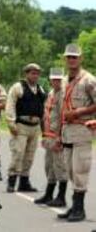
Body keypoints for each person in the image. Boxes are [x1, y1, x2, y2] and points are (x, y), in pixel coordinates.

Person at [57, 44, 96, 222]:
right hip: (67, 132)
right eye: (69, 57)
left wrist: (79, 112)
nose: (71, 60)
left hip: (82, 130)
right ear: (65, 59)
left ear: (81, 59)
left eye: (75, 57)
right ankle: (74, 206)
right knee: (71, 171)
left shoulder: (89, 80)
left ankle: (79, 209)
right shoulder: (64, 81)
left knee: (80, 170)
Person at [5, 63, 47, 193]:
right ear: (26, 73)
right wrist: (11, 123)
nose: (35, 75)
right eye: (32, 73)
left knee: (29, 156)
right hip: (21, 126)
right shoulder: (18, 87)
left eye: (37, 73)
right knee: (18, 153)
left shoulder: (40, 89)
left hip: (35, 127)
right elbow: (10, 104)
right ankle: (12, 181)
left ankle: (24, 182)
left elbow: (43, 110)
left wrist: (44, 130)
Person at [34, 68, 68, 207]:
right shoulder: (51, 94)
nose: (56, 81)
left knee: (60, 167)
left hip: (57, 136)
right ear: (50, 79)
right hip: (48, 135)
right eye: (53, 79)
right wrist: (43, 135)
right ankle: (49, 194)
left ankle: (61, 197)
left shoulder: (63, 95)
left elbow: (64, 118)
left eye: (58, 79)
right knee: (49, 167)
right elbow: (46, 116)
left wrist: (61, 137)